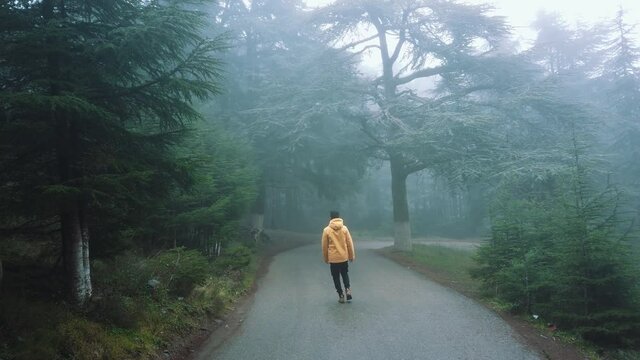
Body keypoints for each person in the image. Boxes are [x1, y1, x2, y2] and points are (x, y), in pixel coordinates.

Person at [322, 210, 355, 303]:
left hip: (333, 259)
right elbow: (349, 243)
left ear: (330, 218)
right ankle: (348, 289)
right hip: (344, 257)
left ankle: (340, 295)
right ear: (339, 217)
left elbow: (324, 246)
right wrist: (351, 255)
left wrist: (326, 258)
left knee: (335, 277)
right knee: (345, 274)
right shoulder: (344, 229)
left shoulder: (326, 230)